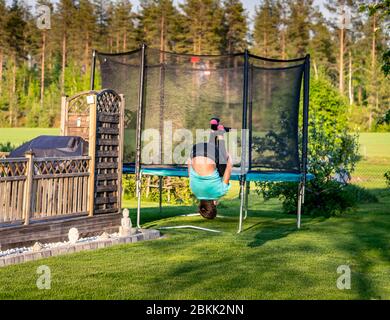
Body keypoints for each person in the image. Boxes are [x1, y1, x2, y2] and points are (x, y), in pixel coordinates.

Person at [187, 119, 233, 219]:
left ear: (215, 204)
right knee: (210, 153)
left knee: (222, 168)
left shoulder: (220, 192)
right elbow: (190, 170)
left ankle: (220, 133)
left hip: (210, 154)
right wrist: (190, 159)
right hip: (195, 150)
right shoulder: (194, 190)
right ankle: (213, 129)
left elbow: (228, 169)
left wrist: (229, 158)